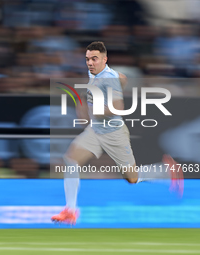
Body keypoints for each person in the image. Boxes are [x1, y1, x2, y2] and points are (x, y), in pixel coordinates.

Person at [51, 41, 184, 225]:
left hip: (113, 133)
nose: (90, 62)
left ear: (104, 59)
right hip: (95, 130)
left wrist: (97, 109)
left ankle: (164, 171)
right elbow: (121, 78)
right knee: (71, 159)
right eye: (88, 59)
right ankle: (70, 210)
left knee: (132, 178)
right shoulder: (97, 73)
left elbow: (118, 107)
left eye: (94, 59)